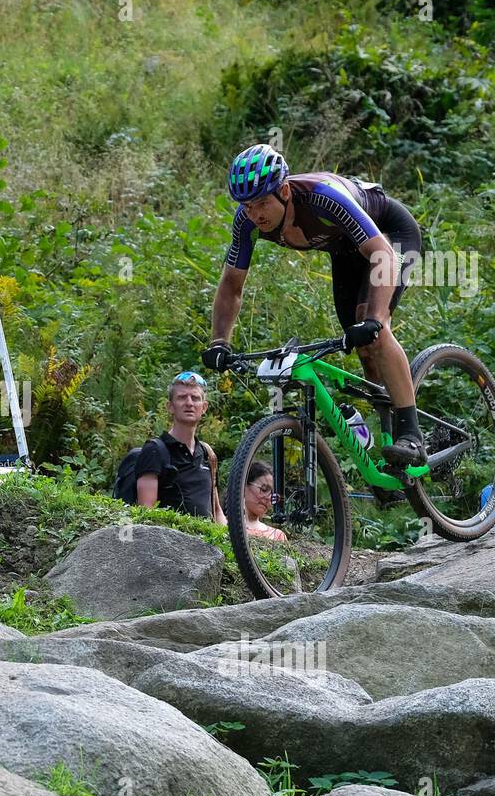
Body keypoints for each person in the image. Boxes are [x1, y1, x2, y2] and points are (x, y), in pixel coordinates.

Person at [201, 144, 426, 477]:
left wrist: (376, 320)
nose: (256, 214)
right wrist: (219, 341)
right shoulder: (247, 222)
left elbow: (382, 253)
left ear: (285, 190)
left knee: (373, 332)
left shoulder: (322, 197)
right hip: (346, 250)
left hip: (389, 238)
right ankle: (385, 442)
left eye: (263, 203)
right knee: (363, 351)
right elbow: (232, 285)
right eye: (247, 206)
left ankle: (411, 434)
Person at [135, 371, 227, 524]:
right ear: (170, 406)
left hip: (206, 545)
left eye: (195, 398)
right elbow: (146, 514)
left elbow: (217, 512)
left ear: (204, 407)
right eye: (182, 397)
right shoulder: (154, 450)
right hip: (169, 543)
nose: (189, 403)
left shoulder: (207, 454)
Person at [242, 461, 288, 541]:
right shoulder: (223, 524)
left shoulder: (278, 536)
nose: (269, 498)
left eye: (273, 494)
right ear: (244, 486)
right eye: (264, 489)